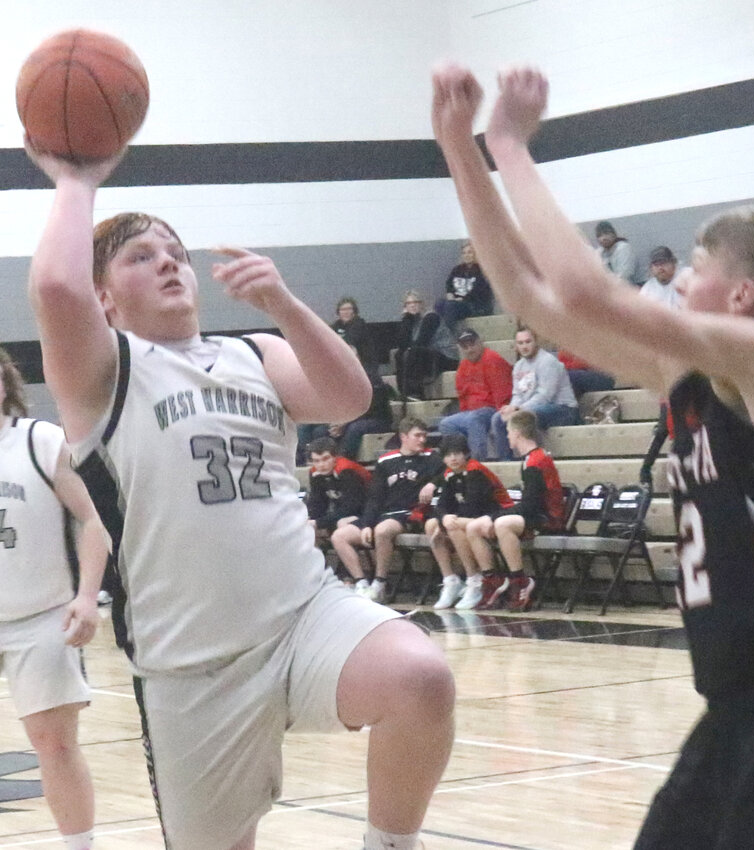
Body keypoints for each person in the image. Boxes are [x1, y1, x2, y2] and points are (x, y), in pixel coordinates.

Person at [25, 145, 455, 850]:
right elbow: (54, 292)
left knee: (419, 677)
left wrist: (283, 303)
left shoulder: (254, 351)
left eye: (176, 252)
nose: (168, 261)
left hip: (302, 617)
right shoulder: (105, 372)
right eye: (140, 256)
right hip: (192, 663)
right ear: (104, 297)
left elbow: (348, 397)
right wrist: (76, 179)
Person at [432, 61, 754, 849]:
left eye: (694, 270)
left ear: (742, 297)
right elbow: (532, 297)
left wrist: (511, 145)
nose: (676, 283)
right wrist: (458, 148)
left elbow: (590, 292)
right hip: (737, 715)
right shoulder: (690, 379)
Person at [0, 347, 107, 850]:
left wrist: (87, 597)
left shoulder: (41, 441)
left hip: (40, 615)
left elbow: (92, 523)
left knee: (56, 745)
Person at [331, 416, 444, 603]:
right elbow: (375, 497)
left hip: (409, 514)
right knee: (339, 536)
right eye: (417, 436)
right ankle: (361, 583)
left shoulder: (431, 458)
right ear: (404, 437)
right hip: (383, 513)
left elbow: (446, 473)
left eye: (424, 436)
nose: (422, 440)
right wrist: (367, 523)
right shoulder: (386, 461)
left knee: (383, 530)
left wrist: (433, 483)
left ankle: (380, 583)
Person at [467, 411, 563, 611]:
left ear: (518, 433)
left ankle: (520, 580)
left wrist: (494, 517)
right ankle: (492, 579)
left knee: (503, 524)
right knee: (474, 526)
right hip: (534, 514)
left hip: (548, 518)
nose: (507, 436)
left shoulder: (536, 461)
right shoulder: (530, 459)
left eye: (509, 432)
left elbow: (530, 506)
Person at [425, 434, 514, 610]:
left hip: (496, 517)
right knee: (431, 524)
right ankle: (450, 580)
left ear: (466, 453)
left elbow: (474, 507)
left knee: (454, 525)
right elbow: (441, 506)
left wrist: (446, 522)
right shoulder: (450, 474)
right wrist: (443, 519)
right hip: (473, 519)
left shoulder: (475, 471)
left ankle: (474, 579)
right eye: (448, 455)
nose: (453, 458)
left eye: (457, 453)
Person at [490, 326, 579, 459]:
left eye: (528, 342)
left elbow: (545, 396)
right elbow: (517, 395)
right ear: (516, 346)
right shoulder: (518, 366)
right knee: (498, 418)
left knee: (528, 417)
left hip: (563, 409)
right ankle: (507, 463)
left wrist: (519, 409)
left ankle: (536, 459)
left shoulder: (548, 361)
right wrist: (511, 408)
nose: (524, 346)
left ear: (536, 341)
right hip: (531, 407)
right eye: (520, 343)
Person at [437, 328, 512, 460]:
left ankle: (478, 463)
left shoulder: (492, 359)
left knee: (474, 418)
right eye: (465, 346)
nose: (470, 349)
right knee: (446, 424)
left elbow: (502, 392)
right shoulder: (463, 366)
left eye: (472, 344)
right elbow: (463, 396)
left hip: (492, 409)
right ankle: (462, 459)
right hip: (472, 412)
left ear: (480, 342)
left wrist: (500, 414)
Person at [305, 436, 371, 546]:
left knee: (342, 523)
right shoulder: (315, 473)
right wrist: (310, 518)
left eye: (326, 459)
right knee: (306, 525)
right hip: (342, 511)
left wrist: (319, 522)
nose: (321, 465)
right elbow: (317, 502)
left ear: (335, 457)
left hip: (365, 512)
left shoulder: (346, 471)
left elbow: (352, 506)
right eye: (316, 461)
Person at [394, 290, 458, 400]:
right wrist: (406, 319)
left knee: (415, 351)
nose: (413, 305)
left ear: (421, 304)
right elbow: (402, 345)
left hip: (447, 357)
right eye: (409, 303)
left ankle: (416, 392)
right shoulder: (411, 322)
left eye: (416, 302)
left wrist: (409, 347)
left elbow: (421, 342)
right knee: (399, 354)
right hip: (428, 356)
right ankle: (404, 393)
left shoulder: (431, 317)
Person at [434, 241, 494, 329]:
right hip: (456, 303)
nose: (467, 255)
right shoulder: (457, 270)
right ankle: (441, 331)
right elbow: (449, 285)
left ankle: (450, 334)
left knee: (450, 306)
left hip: (474, 306)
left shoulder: (482, 270)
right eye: (464, 253)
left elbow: (479, 292)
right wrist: (450, 296)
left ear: (475, 254)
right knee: (439, 303)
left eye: (470, 252)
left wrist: (462, 299)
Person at [331, 296, 376, 369]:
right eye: (343, 309)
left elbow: (351, 340)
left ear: (354, 311)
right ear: (338, 312)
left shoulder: (359, 324)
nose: (346, 312)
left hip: (362, 364)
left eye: (349, 309)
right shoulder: (336, 325)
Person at [594, 221, 640, 286]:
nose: (603, 238)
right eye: (599, 236)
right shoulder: (599, 252)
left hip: (627, 289)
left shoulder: (623, 247)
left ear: (614, 234)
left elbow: (624, 276)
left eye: (606, 233)